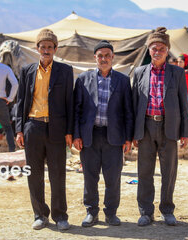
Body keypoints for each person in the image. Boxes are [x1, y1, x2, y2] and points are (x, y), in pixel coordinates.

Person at [15, 29, 74, 231]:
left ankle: (60, 215)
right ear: (37, 48)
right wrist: (19, 130)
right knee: (34, 174)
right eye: (43, 46)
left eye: (50, 47)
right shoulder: (27, 71)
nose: (46, 50)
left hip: (56, 128)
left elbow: (70, 103)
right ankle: (40, 214)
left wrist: (69, 131)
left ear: (55, 49)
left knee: (58, 174)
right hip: (32, 127)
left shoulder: (65, 71)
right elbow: (21, 101)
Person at [132, 27, 188, 226]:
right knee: (144, 172)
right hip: (146, 126)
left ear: (167, 51)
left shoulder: (177, 73)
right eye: (154, 48)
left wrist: (185, 132)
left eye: (162, 48)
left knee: (169, 171)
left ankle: (167, 210)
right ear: (149, 50)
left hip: (169, 127)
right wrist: (134, 133)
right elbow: (134, 105)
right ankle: (146, 212)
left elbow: (184, 104)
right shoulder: (139, 73)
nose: (157, 52)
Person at [73, 40, 134, 227]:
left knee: (113, 178)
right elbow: (76, 110)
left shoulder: (123, 81)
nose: (104, 58)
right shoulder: (83, 80)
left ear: (113, 57)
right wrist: (76, 135)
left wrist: (128, 138)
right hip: (90, 136)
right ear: (95, 58)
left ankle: (111, 213)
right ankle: (91, 212)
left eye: (107, 55)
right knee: (90, 177)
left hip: (114, 137)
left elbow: (128, 112)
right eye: (100, 55)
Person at [177, 54, 188, 119]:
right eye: (178, 62)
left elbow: (185, 87)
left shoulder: (185, 73)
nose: (178, 64)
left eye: (181, 62)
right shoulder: (180, 72)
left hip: (184, 99)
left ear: (186, 63)